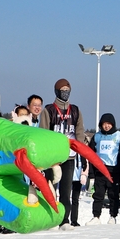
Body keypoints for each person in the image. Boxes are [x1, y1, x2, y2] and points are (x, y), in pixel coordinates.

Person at [39, 79, 87, 228]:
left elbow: (79, 133)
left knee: (66, 191)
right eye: (62, 90)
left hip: (70, 156)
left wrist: (83, 154)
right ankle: (47, 219)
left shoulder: (75, 110)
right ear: (57, 91)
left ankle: (64, 220)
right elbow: (43, 133)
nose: (65, 92)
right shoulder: (49, 110)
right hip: (52, 158)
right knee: (49, 189)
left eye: (67, 89)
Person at [88, 113, 120, 224]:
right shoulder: (97, 136)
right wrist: (91, 173)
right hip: (100, 170)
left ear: (113, 124)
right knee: (98, 194)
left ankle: (113, 216)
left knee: (114, 194)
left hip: (114, 171)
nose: (106, 126)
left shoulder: (119, 136)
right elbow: (90, 154)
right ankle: (96, 216)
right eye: (104, 124)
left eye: (108, 124)